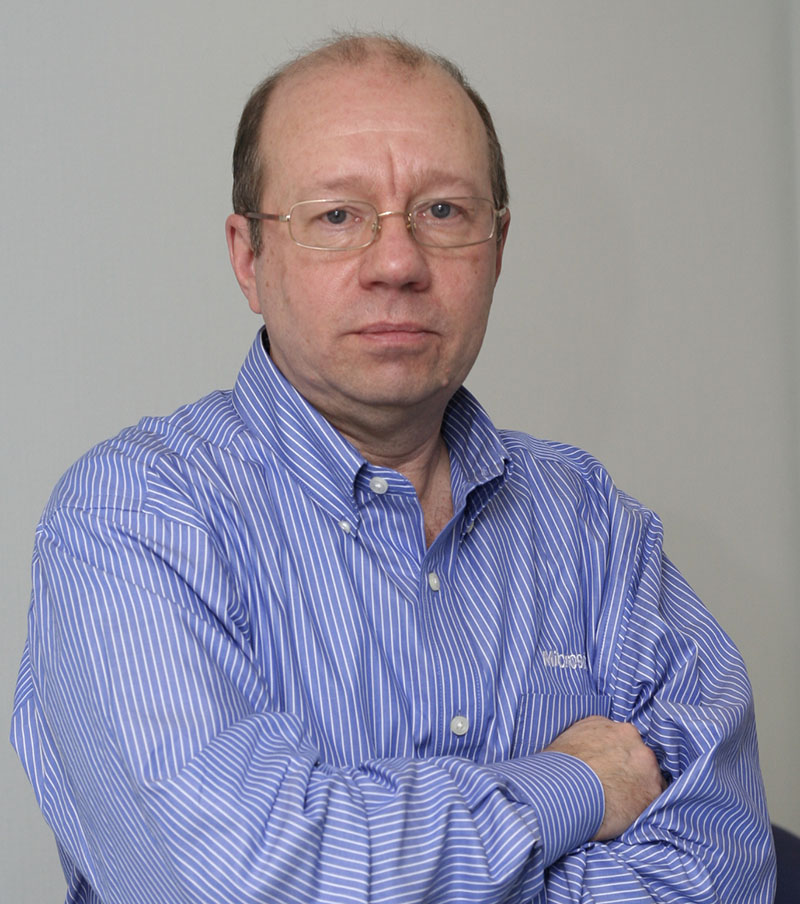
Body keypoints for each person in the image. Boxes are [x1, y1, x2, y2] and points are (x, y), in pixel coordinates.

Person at [11, 33, 775, 904]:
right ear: (249, 258)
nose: (399, 263)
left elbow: (726, 867)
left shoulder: (592, 524)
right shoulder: (132, 516)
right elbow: (240, 884)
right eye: (338, 216)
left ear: (498, 247)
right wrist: (573, 785)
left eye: (443, 211)